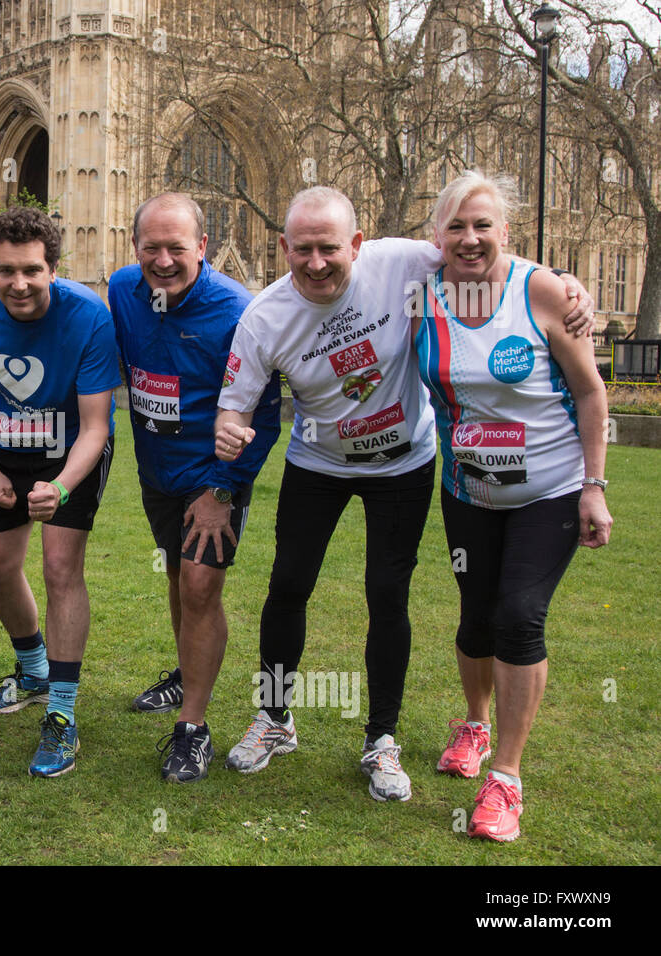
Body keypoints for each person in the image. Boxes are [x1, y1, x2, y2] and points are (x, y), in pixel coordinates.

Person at [214, 186, 594, 802]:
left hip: (403, 464)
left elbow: (481, 253)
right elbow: (232, 406)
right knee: (288, 585)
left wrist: (562, 281)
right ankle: (274, 718)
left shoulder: (402, 263)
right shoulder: (264, 315)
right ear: (283, 247)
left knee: (387, 593)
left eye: (329, 249)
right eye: (302, 250)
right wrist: (230, 430)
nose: (316, 263)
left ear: (357, 246)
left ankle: (381, 739)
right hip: (318, 462)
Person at [415, 172, 611, 841]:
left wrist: (595, 485)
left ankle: (506, 778)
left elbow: (590, 392)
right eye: (457, 227)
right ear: (438, 235)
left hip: (549, 489)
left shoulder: (546, 292)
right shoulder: (423, 293)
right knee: (476, 620)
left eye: (484, 225)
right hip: (469, 490)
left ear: (506, 230)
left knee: (519, 616)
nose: (470, 239)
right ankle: (473, 724)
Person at [0, 206, 120, 777]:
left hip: (73, 448)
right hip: (5, 445)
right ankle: (34, 669)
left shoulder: (89, 316)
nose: (18, 284)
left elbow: (96, 426)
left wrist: (62, 488)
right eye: (5, 271)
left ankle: (62, 714)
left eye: (32, 271)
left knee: (60, 567)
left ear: (54, 268)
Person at [108, 193, 282, 782]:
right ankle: (186, 672)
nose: (162, 260)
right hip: (157, 474)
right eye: (150, 247)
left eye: (176, 248)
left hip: (214, 480)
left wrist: (223, 491)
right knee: (180, 579)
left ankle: (193, 727)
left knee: (202, 585)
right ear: (135, 248)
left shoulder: (239, 311)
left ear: (202, 247)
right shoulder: (121, 292)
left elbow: (265, 411)